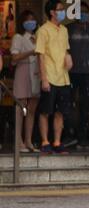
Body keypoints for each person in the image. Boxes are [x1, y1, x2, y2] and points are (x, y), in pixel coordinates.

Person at [35, 0, 72, 154]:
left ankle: (57, 142)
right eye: (60, 9)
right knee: (45, 111)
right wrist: (44, 78)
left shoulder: (64, 30)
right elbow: (40, 56)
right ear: (52, 12)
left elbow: (66, 50)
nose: (63, 11)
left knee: (60, 112)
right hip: (49, 76)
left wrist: (69, 58)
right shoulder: (43, 30)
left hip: (63, 76)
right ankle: (45, 141)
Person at [66, 1, 89, 150]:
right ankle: (68, 135)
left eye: (85, 11)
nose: (83, 14)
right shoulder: (67, 29)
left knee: (84, 105)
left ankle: (83, 137)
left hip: (88, 73)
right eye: (80, 11)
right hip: (69, 73)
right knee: (68, 105)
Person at [11, 10, 40, 153]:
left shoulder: (38, 36)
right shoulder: (19, 37)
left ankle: (28, 141)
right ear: (22, 22)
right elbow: (14, 58)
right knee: (21, 108)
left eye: (33, 19)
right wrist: (31, 52)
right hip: (23, 71)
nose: (31, 22)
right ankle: (18, 141)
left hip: (35, 73)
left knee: (31, 110)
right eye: (28, 20)